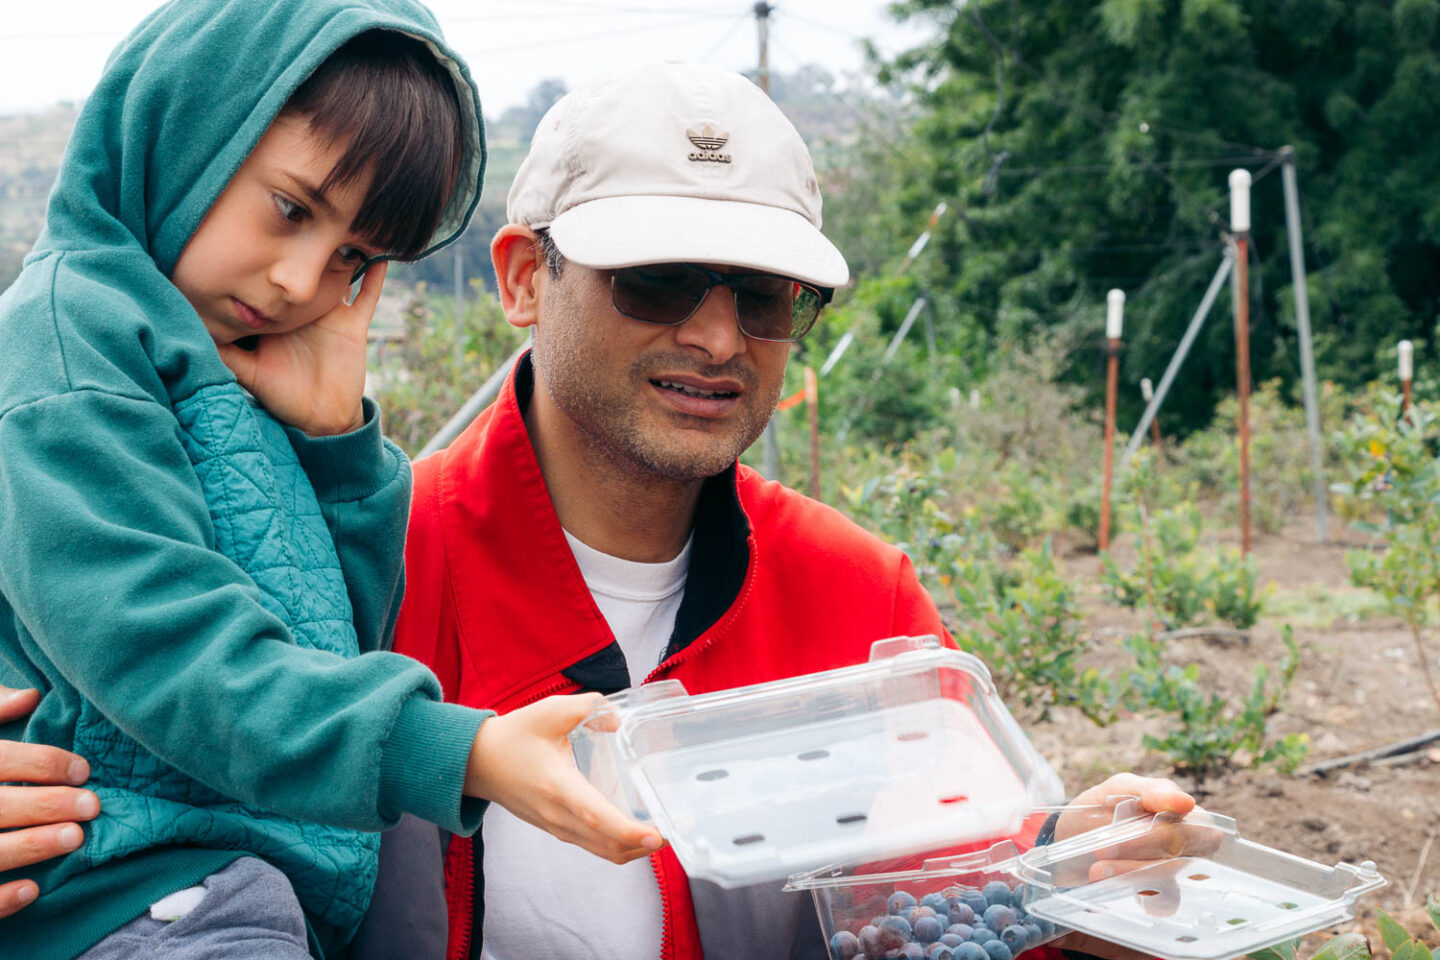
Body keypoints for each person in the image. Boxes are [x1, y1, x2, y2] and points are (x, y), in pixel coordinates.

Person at [390, 62, 1200, 960]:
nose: (719, 337)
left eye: (766, 296)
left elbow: (935, 897)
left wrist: (1065, 869)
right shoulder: (378, 567)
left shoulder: (857, 593)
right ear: (522, 281)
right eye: (657, 279)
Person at [0, 2, 657, 957]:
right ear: (189, 127)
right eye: (291, 210)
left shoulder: (229, 354)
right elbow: (173, 652)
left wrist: (333, 445)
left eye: (352, 256)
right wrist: (455, 749)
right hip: (134, 897)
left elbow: (334, 630)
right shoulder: (72, 347)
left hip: (237, 886)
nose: (299, 282)